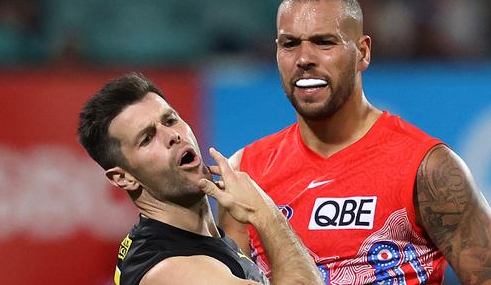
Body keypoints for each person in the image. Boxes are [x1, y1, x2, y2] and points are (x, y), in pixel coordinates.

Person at [219, 0, 491, 284]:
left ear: (363, 52)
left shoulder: (428, 169)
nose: (304, 59)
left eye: (324, 42)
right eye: (290, 44)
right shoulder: (245, 172)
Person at [77, 72, 323, 285]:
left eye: (170, 120)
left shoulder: (201, 240)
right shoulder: (169, 270)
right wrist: (266, 214)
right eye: (147, 138)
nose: (173, 135)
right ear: (124, 177)